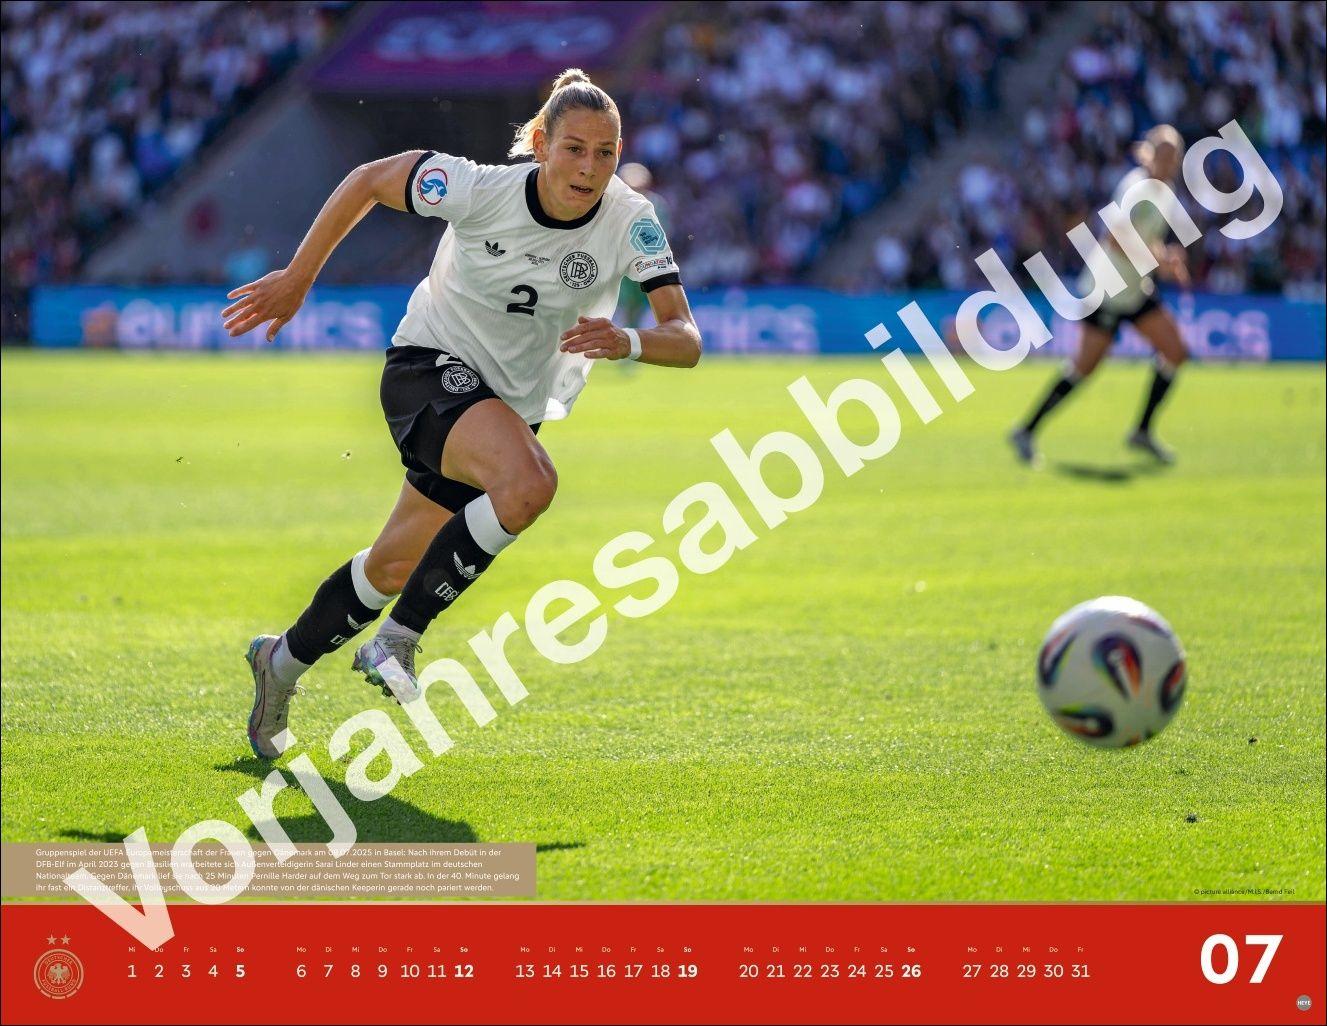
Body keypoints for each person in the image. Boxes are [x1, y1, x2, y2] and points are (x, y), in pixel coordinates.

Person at [221, 69, 702, 759]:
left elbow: (683, 339)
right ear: (539, 143)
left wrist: (626, 340)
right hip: (426, 368)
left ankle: (279, 664)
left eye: (606, 151)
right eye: (573, 148)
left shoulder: (631, 221)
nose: (590, 167)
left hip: (506, 408)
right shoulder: (476, 187)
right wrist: (298, 278)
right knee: (530, 484)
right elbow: (367, 179)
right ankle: (399, 639)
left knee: (389, 568)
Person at [1009, 124, 1191, 467]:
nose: (1169, 163)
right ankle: (1026, 430)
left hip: (1135, 290)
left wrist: (1164, 258)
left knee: (1176, 351)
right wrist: (1159, 262)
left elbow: (1141, 238)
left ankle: (1142, 430)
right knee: (1084, 367)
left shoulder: (1165, 193)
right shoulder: (1135, 187)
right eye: (1165, 155)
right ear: (1151, 155)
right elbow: (1114, 238)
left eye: (1174, 157)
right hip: (1106, 290)